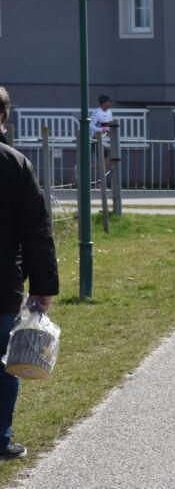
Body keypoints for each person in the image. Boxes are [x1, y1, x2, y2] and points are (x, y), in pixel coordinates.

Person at [0, 86, 59, 461]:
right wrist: (42, 287)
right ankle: (0, 437)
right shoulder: (15, 164)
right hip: (2, 281)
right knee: (4, 363)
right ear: (3, 118)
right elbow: (37, 230)